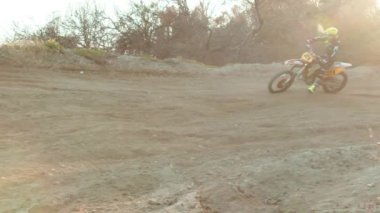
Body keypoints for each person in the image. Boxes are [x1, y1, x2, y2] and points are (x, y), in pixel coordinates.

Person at [306, 27, 340, 93]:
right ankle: (309, 76)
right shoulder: (330, 38)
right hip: (326, 56)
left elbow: (334, 54)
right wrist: (311, 40)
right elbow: (320, 38)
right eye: (327, 35)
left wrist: (326, 60)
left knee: (324, 73)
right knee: (313, 62)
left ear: (333, 36)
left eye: (328, 35)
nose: (327, 36)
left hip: (331, 60)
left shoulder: (336, 44)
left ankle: (314, 86)